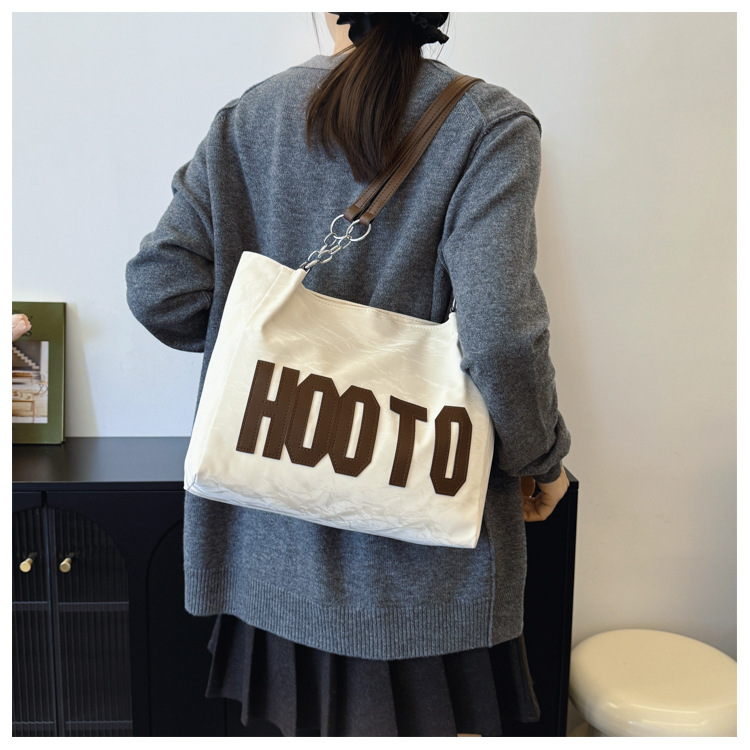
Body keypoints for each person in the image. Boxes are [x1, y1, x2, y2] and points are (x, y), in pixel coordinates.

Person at [126, 12, 571, 737]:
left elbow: (160, 290)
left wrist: (276, 341)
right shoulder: (488, 124)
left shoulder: (249, 118)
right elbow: (502, 336)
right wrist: (542, 460)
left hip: (269, 546)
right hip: (419, 577)